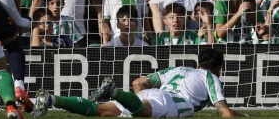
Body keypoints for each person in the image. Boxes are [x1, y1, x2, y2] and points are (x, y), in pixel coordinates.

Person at [32, 49, 247, 117]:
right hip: (171, 102)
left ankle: (52, 99)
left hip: (149, 94)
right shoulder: (211, 77)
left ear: (198, 62)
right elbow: (225, 113)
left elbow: (140, 81)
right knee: (140, 112)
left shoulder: (178, 69)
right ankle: (115, 92)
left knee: (99, 111)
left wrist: (141, 93)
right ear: (218, 68)